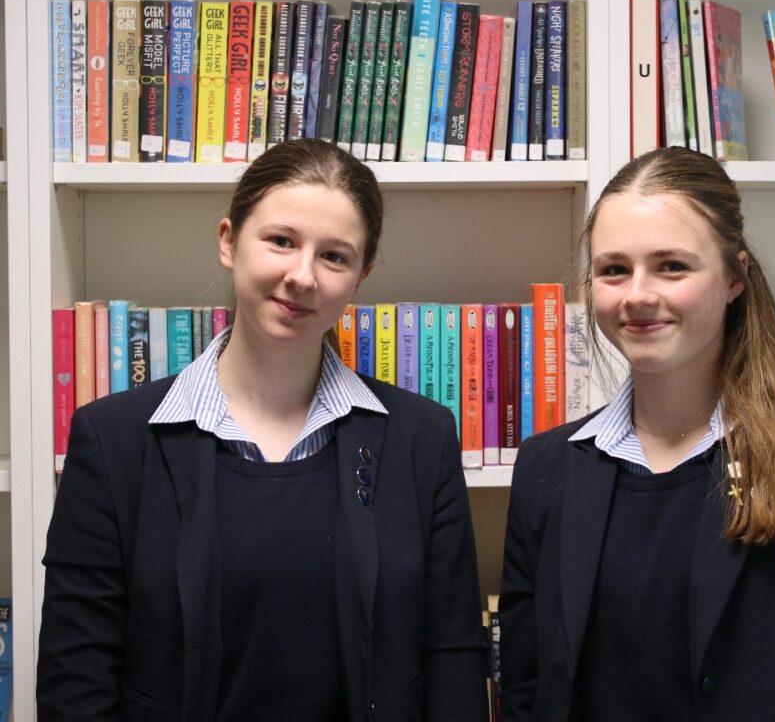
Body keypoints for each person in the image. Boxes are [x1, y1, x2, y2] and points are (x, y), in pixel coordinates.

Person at [37, 138, 489, 722]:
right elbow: (77, 677)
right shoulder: (114, 440)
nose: (302, 276)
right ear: (229, 241)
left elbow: (450, 656)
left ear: (360, 277)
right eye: (281, 241)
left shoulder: (421, 438)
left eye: (334, 256)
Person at [498, 146, 775, 721]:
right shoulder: (546, 468)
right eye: (613, 269)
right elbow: (529, 692)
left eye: (672, 266)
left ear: (734, 277)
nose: (637, 295)